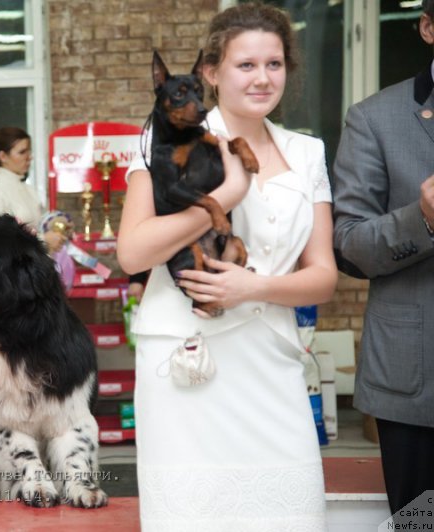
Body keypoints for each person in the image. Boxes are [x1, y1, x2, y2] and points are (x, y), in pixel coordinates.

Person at [116, 3, 338, 529]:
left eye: (275, 64)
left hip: (272, 358)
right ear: (212, 73)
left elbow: (323, 276)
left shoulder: (307, 152)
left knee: (292, 512)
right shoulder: (163, 137)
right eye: (246, 65)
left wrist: (251, 286)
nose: (263, 78)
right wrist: (229, 191)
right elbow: (133, 253)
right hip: (187, 362)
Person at [332, 0, 434, 516]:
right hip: (417, 382)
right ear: (428, 27)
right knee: (421, 525)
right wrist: (424, 217)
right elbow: (349, 244)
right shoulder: (374, 118)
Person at [0, 127, 66, 254]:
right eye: (22, 152)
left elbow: (37, 228)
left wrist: (57, 227)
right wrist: (43, 240)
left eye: (29, 152)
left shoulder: (29, 190)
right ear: (3, 156)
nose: (29, 157)